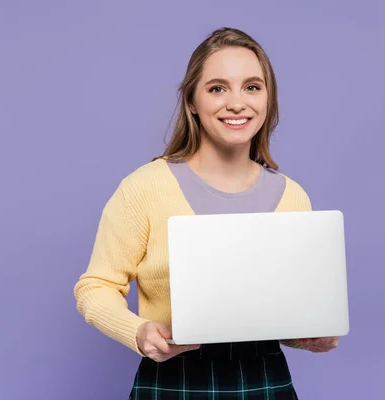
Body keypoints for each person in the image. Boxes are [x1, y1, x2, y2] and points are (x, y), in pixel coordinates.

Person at [73, 27, 339, 399]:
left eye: (252, 87)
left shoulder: (291, 197)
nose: (237, 103)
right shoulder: (144, 187)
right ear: (192, 101)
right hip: (172, 380)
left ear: (268, 98)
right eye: (217, 88)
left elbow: (278, 310)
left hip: (263, 379)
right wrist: (138, 332)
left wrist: (308, 335)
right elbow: (95, 287)